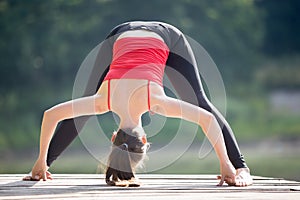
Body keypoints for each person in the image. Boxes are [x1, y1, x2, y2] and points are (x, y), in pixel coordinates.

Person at [24, 21, 252, 186]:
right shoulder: (103, 101)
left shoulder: (157, 102)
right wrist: (41, 162)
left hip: (165, 37)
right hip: (121, 32)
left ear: (144, 139)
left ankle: (240, 167)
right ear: (113, 137)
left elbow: (207, 120)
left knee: (200, 103)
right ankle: (238, 166)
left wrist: (224, 164)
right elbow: (51, 115)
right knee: (200, 102)